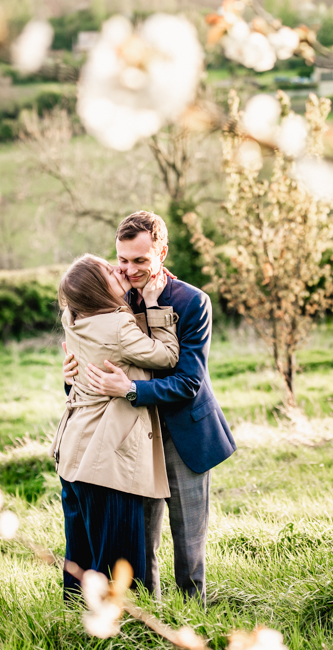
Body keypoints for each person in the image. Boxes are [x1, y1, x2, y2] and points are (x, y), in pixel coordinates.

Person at [63, 211, 236, 606]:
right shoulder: (107, 296)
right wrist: (70, 374)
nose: (129, 269)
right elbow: (92, 355)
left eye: (140, 260)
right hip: (132, 441)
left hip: (183, 435)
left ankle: (196, 622)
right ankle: (154, 625)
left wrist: (131, 390)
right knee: (143, 543)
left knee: (189, 547)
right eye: (122, 260)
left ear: (161, 252)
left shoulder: (192, 302)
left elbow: (189, 382)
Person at [51, 253, 180, 598]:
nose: (118, 269)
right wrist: (152, 305)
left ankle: (74, 627)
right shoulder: (119, 327)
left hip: (72, 452)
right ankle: (126, 638)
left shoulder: (72, 316)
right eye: (109, 270)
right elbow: (168, 355)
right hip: (106, 457)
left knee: (80, 556)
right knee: (119, 559)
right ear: (97, 289)